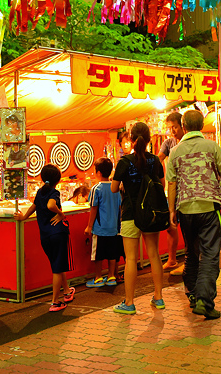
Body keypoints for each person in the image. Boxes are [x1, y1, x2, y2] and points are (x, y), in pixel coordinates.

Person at [167, 110, 221, 320]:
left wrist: (172, 211)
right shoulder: (212, 146)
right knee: (210, 254)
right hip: (208, 207)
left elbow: (172, 183)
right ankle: (204, 300)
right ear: (202, 126)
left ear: (183, 127)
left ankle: (192, 293)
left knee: (191, 252)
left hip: (185, 209)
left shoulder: (175, 151)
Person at [111, 122, 166, 315]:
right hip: (151, 214)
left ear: (131, 140)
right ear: (149, 139)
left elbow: (113, 188)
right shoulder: (155, 161)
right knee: (154, 255)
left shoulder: (125, 162)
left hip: (130, 214)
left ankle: (129, 302)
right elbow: (162, 184)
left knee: (131, 259)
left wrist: (126, 186)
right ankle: (158, 297)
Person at [15, 164, 75, 312]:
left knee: (56, 264)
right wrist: (60, 214)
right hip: (58, 233)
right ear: (58, 180)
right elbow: (50, 205)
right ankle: (55, 302)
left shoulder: (40, 192)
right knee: (57, 267)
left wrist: (23, 217)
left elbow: (33, 207)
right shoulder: (54, 193)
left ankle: (67, 291)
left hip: (45, 236)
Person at [84, 158, 124, 288]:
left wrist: (89, 226)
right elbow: (119, 207)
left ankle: (98, 277)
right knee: (112, 253)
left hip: (99, 228)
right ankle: (111, 276)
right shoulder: (115, 188)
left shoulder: (96, 189)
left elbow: (94, 208)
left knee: (98, 254)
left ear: (98, 172)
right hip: (113, 228)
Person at [157, 111, 186, 274]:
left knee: (188, 226)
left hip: (186, 190)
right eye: (170, 128)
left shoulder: (189, 142)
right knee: (171, 225)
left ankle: (189, 262)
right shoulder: (168, 143)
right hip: (173, 189)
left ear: (183, 125)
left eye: (175, 127)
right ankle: (172, 259)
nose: (172, 131)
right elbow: (159, 158)